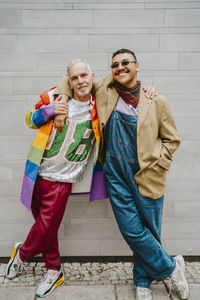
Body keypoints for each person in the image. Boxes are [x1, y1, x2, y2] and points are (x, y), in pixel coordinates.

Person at [55, 49, 189, 300]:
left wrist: (160, 165)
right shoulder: (106, 89)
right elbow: (72, 78)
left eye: (125, 63)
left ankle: (141, 281)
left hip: (148, 176)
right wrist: (62, 102)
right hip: (116, 175)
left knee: (149, 230)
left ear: (138, 66)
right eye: (115, 64)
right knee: (132, 231)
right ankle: (172, 267)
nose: (120, 67)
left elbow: (172, 140)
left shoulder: (157, 101)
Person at [6, 59, 108, 298]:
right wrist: (50, 110)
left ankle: (21, 254)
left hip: (63, 178)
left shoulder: (100, 104)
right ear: (68, 81)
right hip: (37, 172)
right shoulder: (55, 96)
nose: (80, 81)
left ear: (92, 76)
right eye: (74, 78)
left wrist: (147, 90)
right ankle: (54, 271)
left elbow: (120, 81)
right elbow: (29, 120)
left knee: (45, 226)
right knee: (46, 228)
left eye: (84, 76)